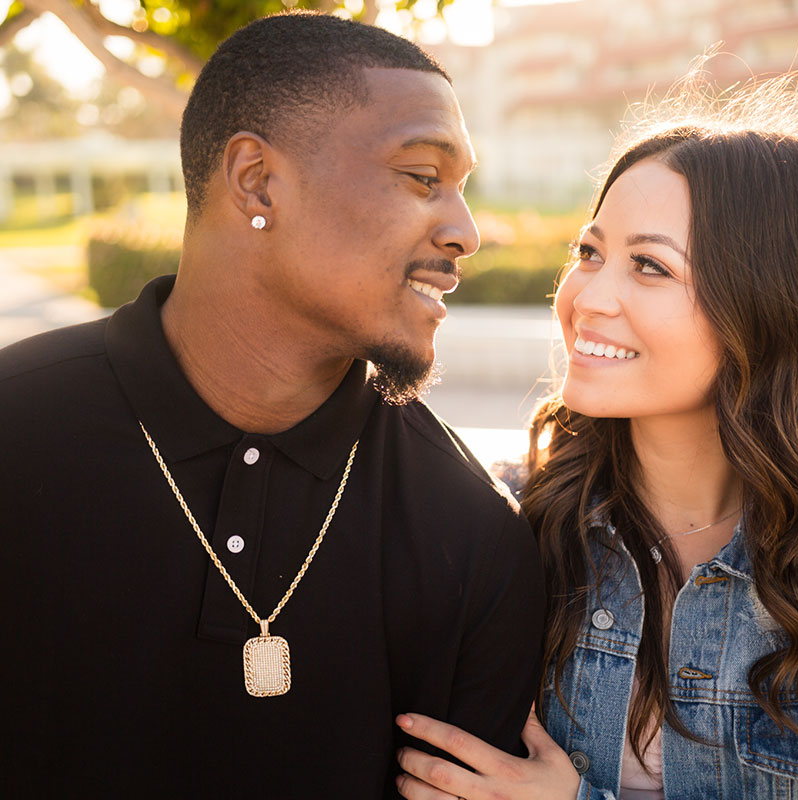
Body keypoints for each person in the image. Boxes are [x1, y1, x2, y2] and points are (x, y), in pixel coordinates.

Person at [386, 91, 798, 800]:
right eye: (588, 252)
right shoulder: (510, 524)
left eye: (649, 267)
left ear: (768, 306)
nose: (587, 296)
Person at [0, 12, 544, 797]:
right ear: (257, 181)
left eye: (463, 190)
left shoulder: (473, 531)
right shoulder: (15, 434)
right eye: (424, 177)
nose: (466, 231)